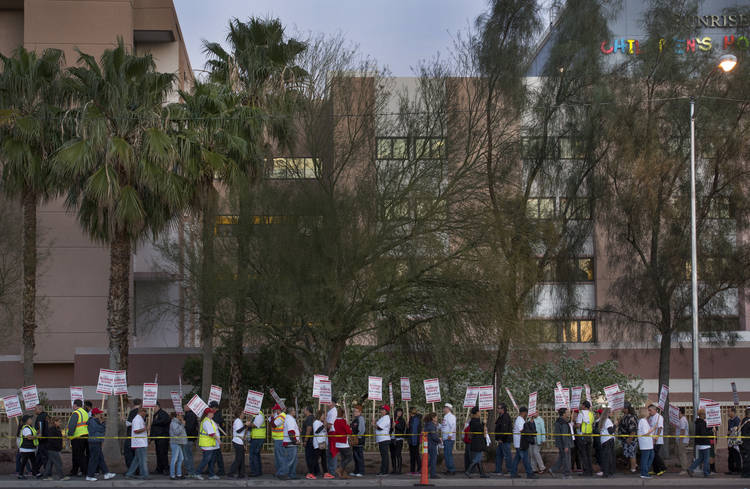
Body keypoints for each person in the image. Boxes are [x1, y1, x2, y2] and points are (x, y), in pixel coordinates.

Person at [85, 408, 115, 481]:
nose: (100, 415)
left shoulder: (95, 421)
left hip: (96, 441)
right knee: (94, 459)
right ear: (95, 414)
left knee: (100, 458)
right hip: (94, 442)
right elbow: (99, 429)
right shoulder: (92, 421)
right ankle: (89, 475)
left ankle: (106, 473)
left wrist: (102, 424)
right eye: (99, 413)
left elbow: (101, 429)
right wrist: (102, 424)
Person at [194, 408, 221, 480]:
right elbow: (211, 433)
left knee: (211, 460)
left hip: (211, 444)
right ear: (208, 414)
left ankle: (211, 475)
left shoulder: (210, 420)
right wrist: (218, 440)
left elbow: (214, 430)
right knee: (206, 460)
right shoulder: (206, 422)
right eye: (212, 413)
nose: (213, 414)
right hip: (207, 444)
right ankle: (197, 473)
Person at [510, 406, 537, 479]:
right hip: (520, 443)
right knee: (525, 459)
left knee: (517, 459)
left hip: (520, 443)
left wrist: (530, 423)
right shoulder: (520, 420)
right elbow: (522, 430)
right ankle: (529, 473)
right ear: (524, 412)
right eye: (526, 412)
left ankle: (513, 473)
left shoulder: (521, 420)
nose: (527, 414)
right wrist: (530, 428)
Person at [124, 407, 149, 480]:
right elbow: (136, 430)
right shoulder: (137, 419)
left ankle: (129, 474)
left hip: (141, 442)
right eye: (145, 412)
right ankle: (144, 475)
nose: (146, 414)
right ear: (141, 412)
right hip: (140, 443)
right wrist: (145, 429)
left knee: (137, 460)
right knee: (142, 460)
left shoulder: (139, 419)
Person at [464, 407, 489, 478]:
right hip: (477, 441)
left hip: (478, 441)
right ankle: (468, 471)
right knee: (477, 458)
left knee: (479, 458)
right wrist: (484, 424)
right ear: (476, 412)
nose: (480, 413)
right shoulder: (474, 421)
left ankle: (482, 473)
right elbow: (479, 429)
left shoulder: (476, 420)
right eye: (479, 412)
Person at [687, 408, 712, 478]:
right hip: (704, 443)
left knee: (700, 458)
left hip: (699, 443)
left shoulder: (697, 422)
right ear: (703, 414)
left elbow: (702, 431)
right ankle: (706, 472)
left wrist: (709, 428)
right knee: (706, 459)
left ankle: (691, 468)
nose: (706, 415)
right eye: (705, 414)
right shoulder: (703, 423)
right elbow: (704, 433)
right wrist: (710, 430)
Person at [67, 398, 89, 477]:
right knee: (80, 454)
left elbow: (72, 426)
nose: (73, 406)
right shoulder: (85, 413)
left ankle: (84, 471)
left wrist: (69, 434)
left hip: (77, 436)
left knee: (78, 455)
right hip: (86, 435)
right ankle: (75, 470)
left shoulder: (76, 413)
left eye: (73, 405)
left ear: (75, 405)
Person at [549, 407, 572, 479]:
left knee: (562, 458)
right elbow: (564, 435)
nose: (569, 413)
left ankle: (553, 469)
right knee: (566, 459)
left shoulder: (558, 421)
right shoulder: (563, 423)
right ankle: (566, 474)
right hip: (564, 444)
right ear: (563, 414)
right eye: (567, 412)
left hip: (559, 443)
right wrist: (566, 446)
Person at [170, 413, 193, 480]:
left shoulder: (178, 422)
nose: (182, 417)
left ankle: (179, 474)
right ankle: (172, 475)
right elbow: (177, 432)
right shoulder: (174, 423)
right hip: (175, 443)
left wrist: (182, 424)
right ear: (177, 416)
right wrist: (183, 424)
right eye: (181, 415)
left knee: (181, 459)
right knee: (174, 459)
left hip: (180, 443)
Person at [331, 406, 353, 479]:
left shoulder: (335, 421)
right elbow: (348, 431)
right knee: (349, 457)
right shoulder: (343, 421)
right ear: (343, 414)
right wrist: (350, 428)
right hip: (344, 443)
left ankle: (343, 474)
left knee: (344, 458)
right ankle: (339, 469)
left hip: (337, 443)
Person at [227, 409, 249, 478]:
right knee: (239, 459)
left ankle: (241, 473)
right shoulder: (238, 421)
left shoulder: (239, 421)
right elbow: (239, 431)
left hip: (239, 441)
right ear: (239, 414)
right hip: (237, 441)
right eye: (242, 413)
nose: (244, 414)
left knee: (241, 459)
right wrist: (245, 425)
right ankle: (231, 472)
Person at [150, 402, 171, 476]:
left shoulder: (163, 413)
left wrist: (154, 422)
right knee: (158, 454)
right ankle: (159, 468)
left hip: (163, 437)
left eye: (154, 407)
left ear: (157, 406)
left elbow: (165, 420)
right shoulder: (155, 414)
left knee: (163, 454)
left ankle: (166, 468)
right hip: (157, 437)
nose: (153, 409)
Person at [574, 400, 594, 476]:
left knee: (583, 454)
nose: (581, 406)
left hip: (582, 436)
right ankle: (590, 470)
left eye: (582, 405)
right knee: (588, 454)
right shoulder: (591, 414)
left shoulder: (581, 413)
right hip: (589, 436)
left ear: (584, 406)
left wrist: (573, 425)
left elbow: (578, 425)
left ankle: (586, 472)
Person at [313, 409, 333, 479]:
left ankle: (326, 473)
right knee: (315, 459)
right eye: (323, 415)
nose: (324, 417)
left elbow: (324, 432)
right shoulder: (316, 422)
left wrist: (327, 428)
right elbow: (317, 431)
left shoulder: (321, 423)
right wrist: (323, 426)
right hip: (318, 443)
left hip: (323, 443)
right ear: (319, 415)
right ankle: (311, 472)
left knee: (324, 459)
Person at [617, 403, 638, 473]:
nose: (621, 409)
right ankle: (632, 466)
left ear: (626, 409)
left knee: (632, 454)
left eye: (623, 408)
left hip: (630, 439)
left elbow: (633, 429)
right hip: (625, 439)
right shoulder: (625, 416)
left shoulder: (631, 417)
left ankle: (633, 469)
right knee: (628, 454)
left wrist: (630, 438)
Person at [280, 407, 300, 480]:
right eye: (294, 410)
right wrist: (295, 441)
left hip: (290, 442)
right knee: (290, 460)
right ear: (291, 411)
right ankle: (283, 474)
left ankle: (292, 474)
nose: (295, 411)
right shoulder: (290, 419)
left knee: (293, 460)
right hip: (290, 443)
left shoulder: (289, 418)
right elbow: (291, 432)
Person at [207, 401, 226, 476]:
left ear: (214, 408)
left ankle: (220, 470)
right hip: (215, 437)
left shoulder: (217, 415)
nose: (210, 409)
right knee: (214, 454)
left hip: (216, 437)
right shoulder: (216, 414)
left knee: (217, 455)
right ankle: (211, 469)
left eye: (211, 407)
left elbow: (215, 426)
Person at [123, 398, 142, 472]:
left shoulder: (133, 412)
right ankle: (137, 470)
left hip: (131, 436)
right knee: (136, 455)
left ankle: (131, 470)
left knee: (129, 454)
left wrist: (124, 420)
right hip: (139, 437)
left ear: (133, 404)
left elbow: (129, 423)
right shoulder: (142, 412)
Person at [494, 403, 513, 475]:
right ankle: (498, 470)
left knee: (507, 455)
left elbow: (504, 429)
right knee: (499, 455)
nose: (498, 409)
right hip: (500, 440)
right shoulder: (500, 416)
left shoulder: (505, 417)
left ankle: (510, 470)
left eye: (499, 408)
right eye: (498, 408)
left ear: (503, 409)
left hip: (505, 440)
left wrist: (501, 438)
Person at [17, 414, 38, 480]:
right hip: (26, 449)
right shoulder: (26, 428)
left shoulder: (30, 427)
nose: (31, 420)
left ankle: (35, 473)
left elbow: (33, 434)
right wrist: (37, 436)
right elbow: (29, 437)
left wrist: (38, 433)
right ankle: (20, 475)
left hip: (30, 448)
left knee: (33, 462)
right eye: (30, 419)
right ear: (26, 421)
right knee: (24, 462)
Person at [637, 406, 656, 479]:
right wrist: (653, 429)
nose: (649, 412)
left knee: (651, 455)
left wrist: (653, 435)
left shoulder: (646, 421)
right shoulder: (642, 421)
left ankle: (645, 470)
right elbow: (645, 433)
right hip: (645, 443)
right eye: (648, 411)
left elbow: (648, 432)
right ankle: (644, 473)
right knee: (645, 458)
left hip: (648, 443)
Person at [647, 404, 666, 476]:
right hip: (651, 439)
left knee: (655, 454)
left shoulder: (659, 417)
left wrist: (656, 437)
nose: (649, 412)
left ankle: (662, 468)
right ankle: (655, 470)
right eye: (648, 410)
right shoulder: (651, 417)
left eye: (650, 410)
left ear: (655, 410)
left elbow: (660, 428)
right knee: (652, 455)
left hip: (657, 440)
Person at [597, 407, 615, 478]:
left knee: (605, 457)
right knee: (608, 458)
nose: (612, 413)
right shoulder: (608, 420)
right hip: (608, 440)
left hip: (604, 440)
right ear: (608, 413)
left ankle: (606, 472)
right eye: (611, 412)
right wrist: (616, 425)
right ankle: (607, 473)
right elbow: (611, 431)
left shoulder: (602, 420)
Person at [32, 404, 49, 477]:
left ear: (40, 409)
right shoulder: (46, 416)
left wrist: (40, 436)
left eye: (35, 409)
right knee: (40, 456)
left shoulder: (40, 417)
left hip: (43, 440)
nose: (34, 410)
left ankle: (46, 472)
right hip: (46, 439)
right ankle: (35, 471)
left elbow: (40, 426)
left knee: (44, 456)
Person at [270, 404, 287, 477]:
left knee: (280, 457)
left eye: (275, 410)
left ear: (278, 410)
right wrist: (272, 418)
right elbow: (271, 423)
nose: (274, 411)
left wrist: (272, 418)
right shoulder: (278, 416)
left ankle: (282, 473)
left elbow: (273, 425)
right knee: (278, 457)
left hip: (280, 439)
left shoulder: (282, 416)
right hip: (277, 439)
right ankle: (279, 472)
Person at [248, 408, 266, 477]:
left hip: (258, 438)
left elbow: (255, 425)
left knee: (254, 455)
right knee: (256, 455)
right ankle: (258, 471)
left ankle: (255, 472)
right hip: (256, 437)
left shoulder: (259, 414)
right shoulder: (255, 415)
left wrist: (248, 424)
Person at [375, 404, 392, 476]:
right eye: (381, 409)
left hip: (384, 439)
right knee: (383, 456)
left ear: (386, 411)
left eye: (383, 410)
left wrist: (374, 424)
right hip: (381, 439)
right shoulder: (382, 418)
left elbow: (380, 428)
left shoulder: (386, 418)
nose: (381, 411)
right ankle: (383, 470)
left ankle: (384, 471)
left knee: (384, 456)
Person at [440, 403, 456, 475]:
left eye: (444, 408)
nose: (443, 409)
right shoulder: (446, 416)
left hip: (449, 438)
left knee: (448, 454)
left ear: (448, 409)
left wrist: (450, 434)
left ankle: (451, 469)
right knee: (447, 454)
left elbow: (453, 426)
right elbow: (444, 426)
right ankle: (449, 469)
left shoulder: (451, 416)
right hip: (445, 437)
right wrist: (439, 425)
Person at [423, 412, 441, 479]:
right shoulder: (431, 425)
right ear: (433, 418)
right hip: (432, 444)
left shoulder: (429, 424)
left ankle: (423, 470)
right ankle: (432, 474)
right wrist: (439, 440)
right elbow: (434, 436)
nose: (437, 418)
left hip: (429, 443)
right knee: (433, 459)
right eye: (436, 417)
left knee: (431, 460)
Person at [302, 406, 317, 479]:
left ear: (307, 410)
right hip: (312, 440)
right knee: (312, 457)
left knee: (309, 457)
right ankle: (314, 471)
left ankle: (311, 472)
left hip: (309, 441)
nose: (303, 411)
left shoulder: (309, 418)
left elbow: (309, 429)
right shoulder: (312, 417)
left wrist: (305, 440)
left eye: (304, 409)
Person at [350, 405, 366, 477]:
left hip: (359, 440)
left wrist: (358, 437)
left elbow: (362, 430)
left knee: (359, 456)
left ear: (360, 412)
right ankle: (356, 470)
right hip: (354, 439)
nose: (355, 413)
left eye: (356, 411)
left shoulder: (361, 418)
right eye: (354, 411)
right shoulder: (355, 419)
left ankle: (361, 471)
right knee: (355, 456)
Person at [183, 407, 199, 478]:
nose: (183, 408)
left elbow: (189, 427)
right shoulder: (192, 415)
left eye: (185, 406)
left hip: (188, 438)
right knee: (189, 456)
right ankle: (191, 471)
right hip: (191, 438)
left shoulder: (189, 415)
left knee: (187, 456)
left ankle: (190, 472)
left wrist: (184, 424)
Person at [407, 407, 422, 475]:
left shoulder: (416, 419)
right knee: (412, 455)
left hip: (414, 440)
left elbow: (414, 430)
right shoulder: (411, 419)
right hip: (411, 439)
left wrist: (413, 441)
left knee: (416, 455)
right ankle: (412, 470)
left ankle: (419, 469)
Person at [391, 407, 406, 474]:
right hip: (392, 438)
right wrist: (392, 426)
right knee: (392, 455)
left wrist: (395, 424)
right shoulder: (392, 419)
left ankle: (399, 469)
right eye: (398, 411)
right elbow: (390, 428)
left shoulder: (402, 420)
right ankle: (394, 469)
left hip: (399, 439)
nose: (399, 413)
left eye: (401, 412)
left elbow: (401, 428)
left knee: (398, 454)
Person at [728, 407, 742, 475]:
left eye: (729, 411)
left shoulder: (737, 420)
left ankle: (738, 469)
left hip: (735, 441)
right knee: (730, 455)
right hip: (730, 440)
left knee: (736, 455)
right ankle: (731, 469)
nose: (728, 413)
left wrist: (731, 431)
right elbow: (729, 431)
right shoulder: (729, 421)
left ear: (733, 412)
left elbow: (736, 430)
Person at [676, 407, 690, 474]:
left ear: (680, 412)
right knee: (680, 454)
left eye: (677, 412)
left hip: (682, 440)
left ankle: (684, 469)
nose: (677, 413)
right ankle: (683, 466)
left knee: (682, 454)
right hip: (681, 440)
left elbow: (682, 430)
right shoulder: (681, 419)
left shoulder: (682, 420)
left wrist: (680, 440)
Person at [740, 407, 750, 479]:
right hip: (747, 443)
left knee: (745, 458)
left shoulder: (744, 420)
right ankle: (746, 473)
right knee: (747, 458)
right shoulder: (748, 421)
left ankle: (745, 472)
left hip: (744, 442)